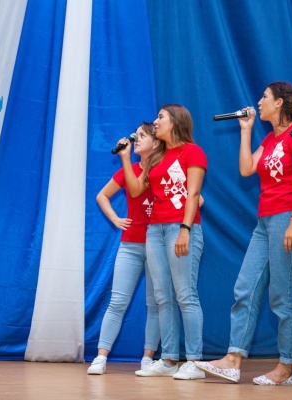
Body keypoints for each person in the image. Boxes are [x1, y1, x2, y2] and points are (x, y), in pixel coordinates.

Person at [195, 82, 292, 385]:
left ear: (279, 102)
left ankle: (286, 367)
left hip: (286, 217)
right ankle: (233, 359)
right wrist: (246, 130)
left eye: (265, 97)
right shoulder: (270, 138)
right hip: (265, 221)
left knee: (283, 295)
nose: (259, 102)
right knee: (245, 287)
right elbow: (247, 169)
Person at [119, 104, 207, 380]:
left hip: (180, 228)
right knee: (162, 297)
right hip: (154, 231)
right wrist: (125, 158)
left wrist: (185, 229)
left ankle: (194, 361)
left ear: (176, 122)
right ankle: (169, 360)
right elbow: (136, 190)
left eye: (160, 117)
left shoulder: (193, 151)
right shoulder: (157, 157)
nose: (155, 122)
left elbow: (193, 194)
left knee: (185, 294)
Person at [87, 122, 161, 375]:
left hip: (158, 245)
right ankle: (101, 357)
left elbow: (195, 197)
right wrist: (115, 219)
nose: (136, 140)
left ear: (157, 142)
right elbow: (102, 195)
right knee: (117, 301)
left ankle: (148, 357)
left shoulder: (163, 169)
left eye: (142, 136)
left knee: (155, 304)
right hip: (130, 245)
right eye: (135, 136)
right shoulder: (129, 168)